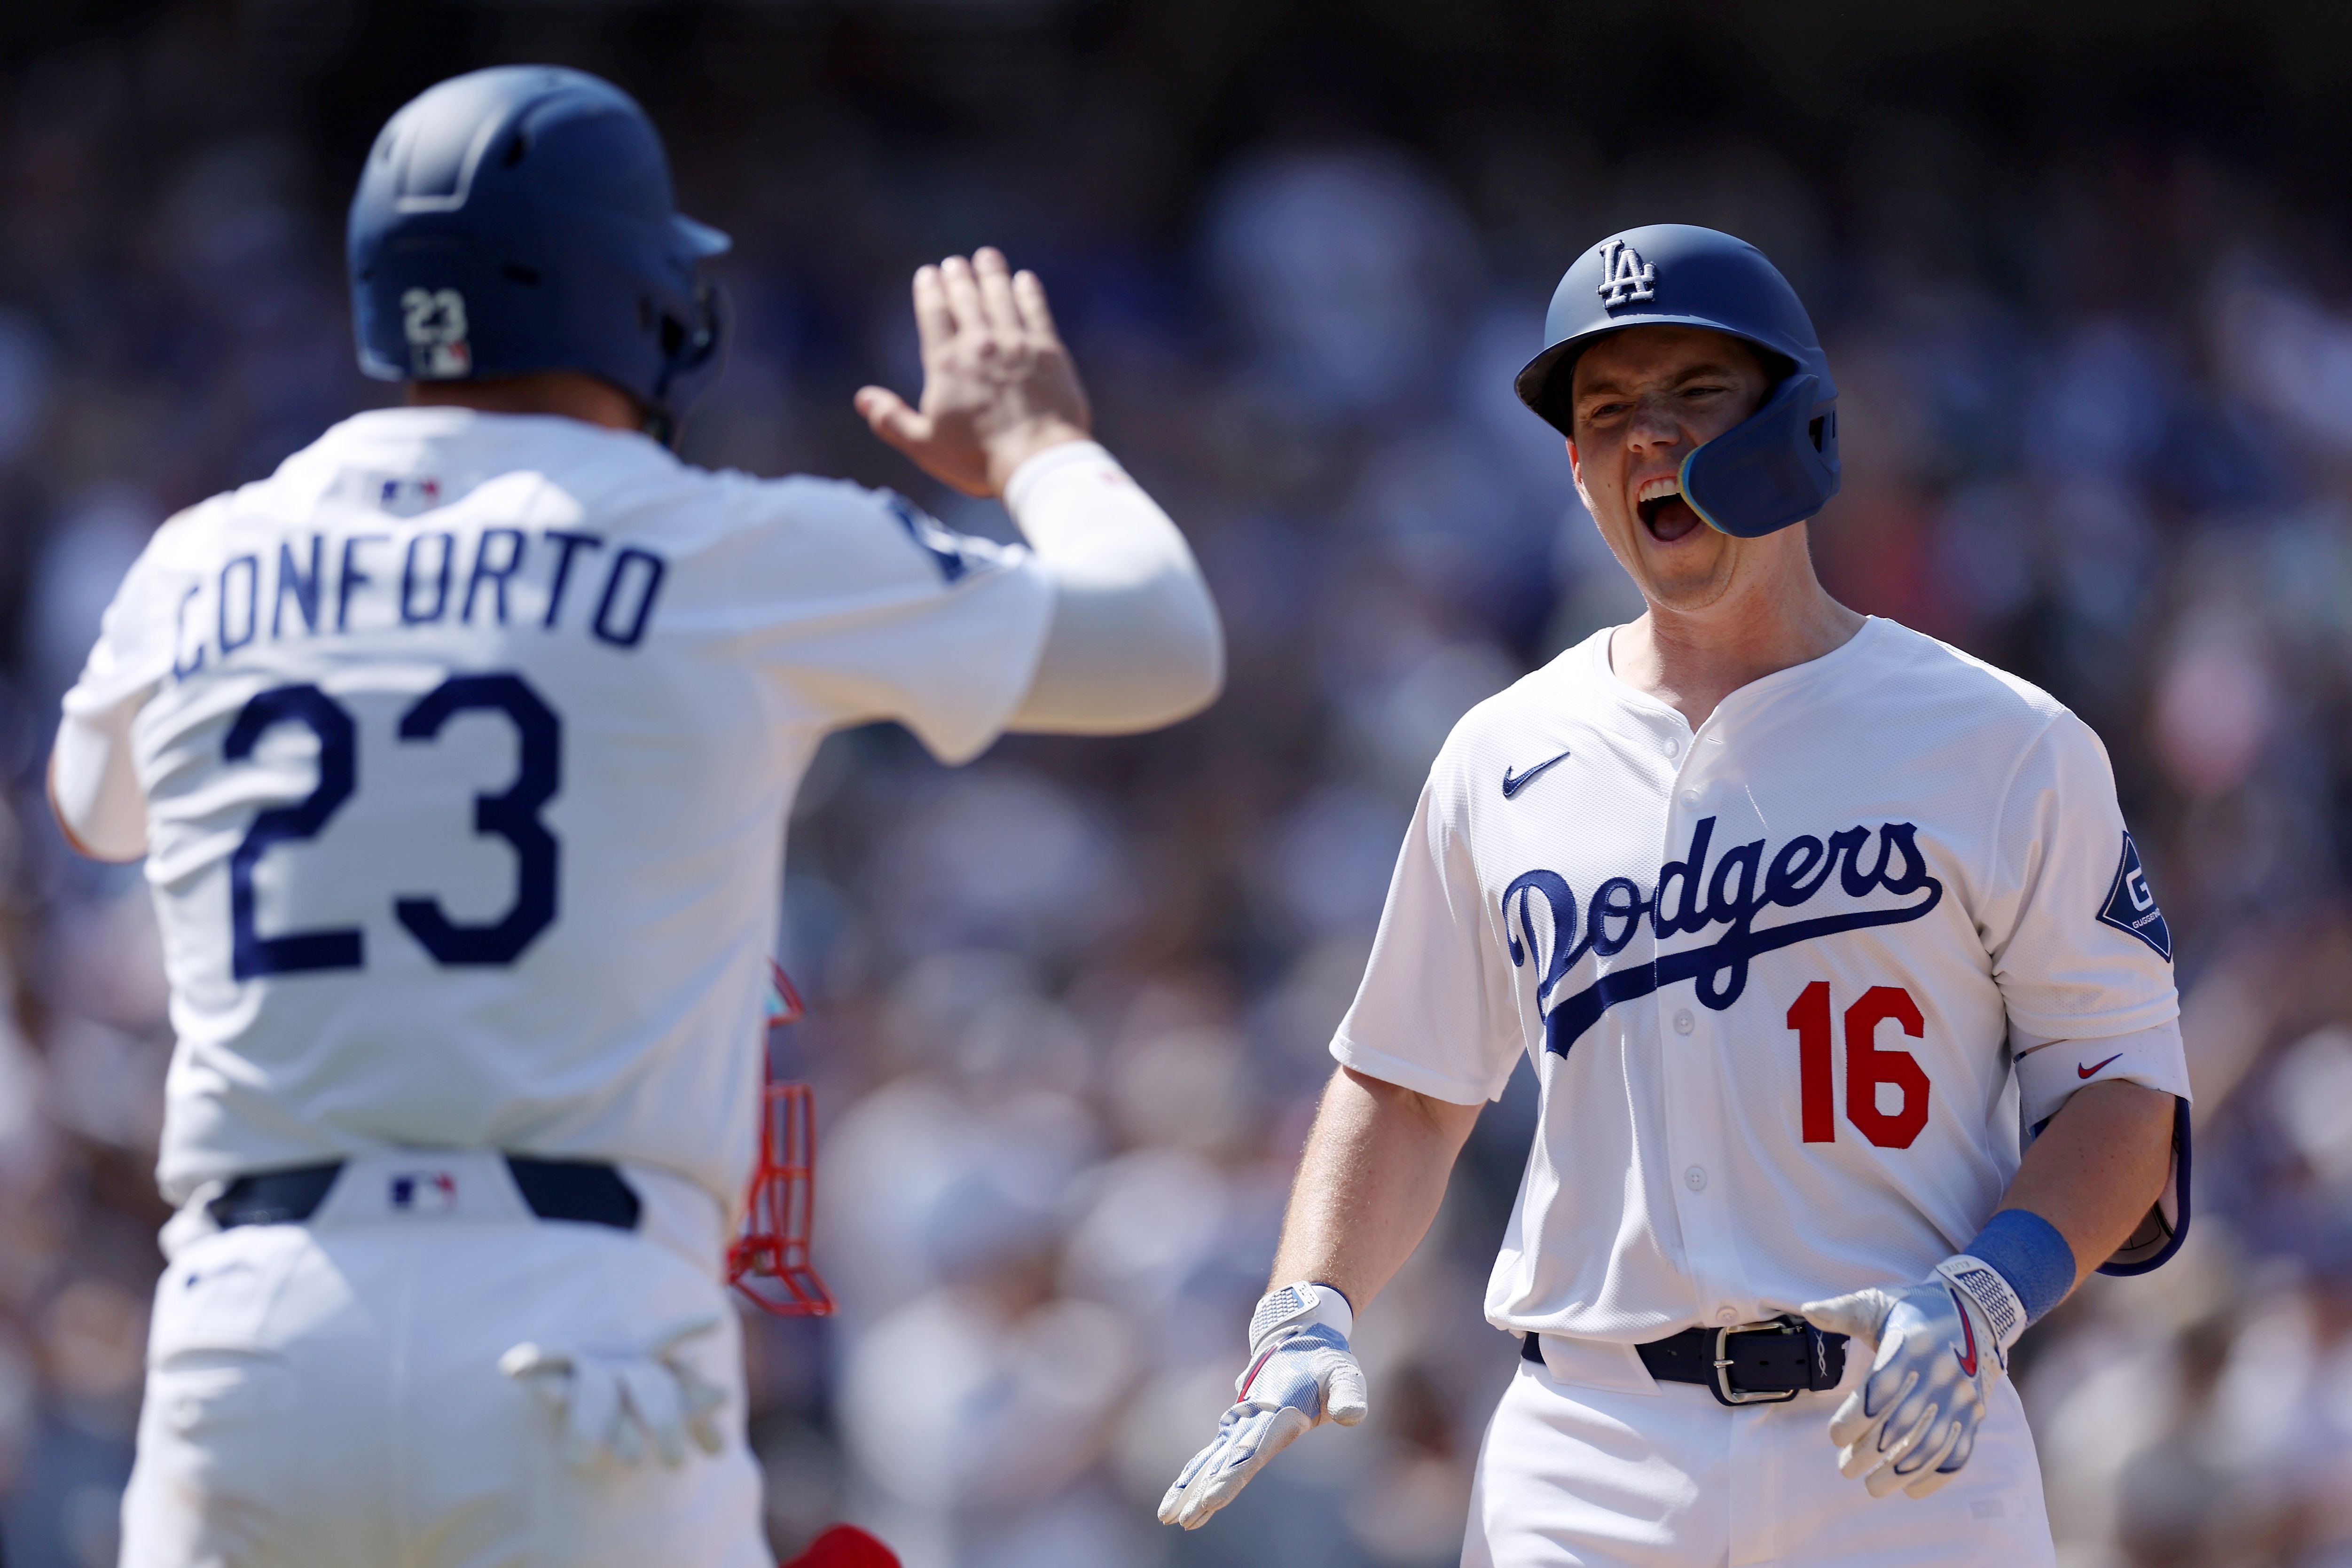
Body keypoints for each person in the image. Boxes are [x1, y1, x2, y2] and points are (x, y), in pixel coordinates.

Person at [48, 65, 1221, 1568]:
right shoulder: (725, 545)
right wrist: (1038, 448)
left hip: (253, 1337)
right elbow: (1163, 643)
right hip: (573, 1331)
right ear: (645, 300)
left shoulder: (198, 561)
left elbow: (95, 813)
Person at [1157, 224, 2188, 1565]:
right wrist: (1307, 1305)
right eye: (1605, 411)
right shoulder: (1501, 754)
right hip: (1588, 1449)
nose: (1648, 438)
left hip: (1903, 1431)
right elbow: (1407, 1084)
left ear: (1799, 422)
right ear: (1575, 471)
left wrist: (1993, 1292)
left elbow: (2120, 1085)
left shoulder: (1999, 740)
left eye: (1693, 394)